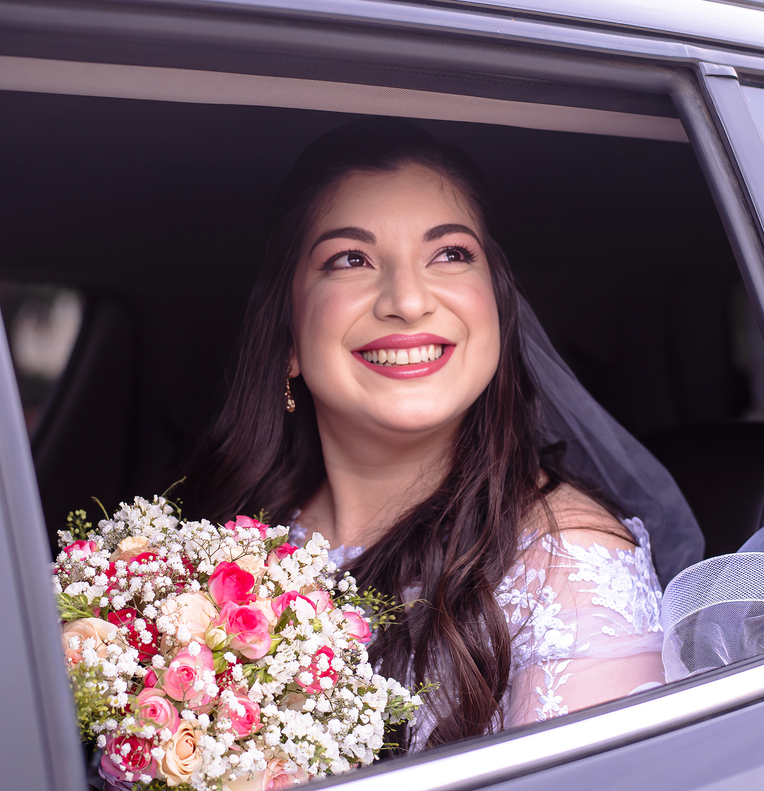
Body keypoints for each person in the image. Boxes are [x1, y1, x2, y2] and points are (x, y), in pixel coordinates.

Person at [185, 118, 704, 753]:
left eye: (451, 253)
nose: (406, 300)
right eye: (351, 259)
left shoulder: (566, 568)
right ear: (290, 337)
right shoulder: (231, 543)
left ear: (497, 311)